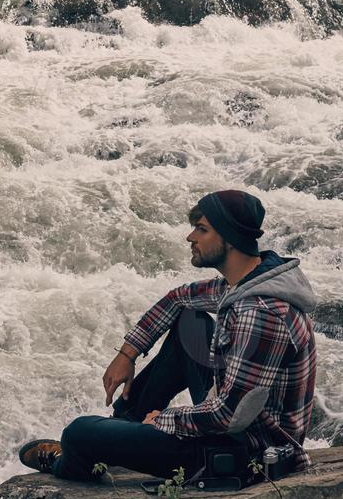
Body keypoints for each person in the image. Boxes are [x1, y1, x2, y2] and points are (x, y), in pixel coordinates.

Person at [18, 189, 318, 483]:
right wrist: (128, 353)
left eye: (201, 230)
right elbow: (178, 299)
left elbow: (230, 415)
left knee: (78, 432)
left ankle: (71, 459)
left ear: (229, 239)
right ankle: (121, 429)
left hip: (242, 454)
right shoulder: (244, 285)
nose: (191, 238)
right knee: (191, 321)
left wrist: (164, 421)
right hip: (234, 430)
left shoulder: (261, 312)